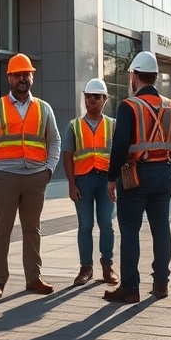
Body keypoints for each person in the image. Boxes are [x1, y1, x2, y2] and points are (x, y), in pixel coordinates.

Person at [104, 51, 171, 303]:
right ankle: (161, 284)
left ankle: (130, 288)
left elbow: (120, 146)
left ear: (134, 76)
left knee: (130, 230)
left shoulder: (129, 106)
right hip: (163, 174)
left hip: (135, 177)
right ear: (154, 76)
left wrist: (111, 178)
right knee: (161, 228)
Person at [0, 53, 61, 298]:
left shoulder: (44, 108)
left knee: (32, 229)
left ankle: (33, 278)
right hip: (5, 177)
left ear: (32, 77)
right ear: (9, 78)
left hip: (36, 177)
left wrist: (49, 169)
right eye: (17, 75)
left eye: (26, 74)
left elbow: (54, 141)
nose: (22, 79)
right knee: (2, 230)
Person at [62, 78, 118, 286]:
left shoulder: (113, 125)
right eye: (88, 96)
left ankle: (107, 266)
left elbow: (119, 154)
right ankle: (86, 268)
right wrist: (71, 184)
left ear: (105, 99)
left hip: (106, 181)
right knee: (85, 225)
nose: (91, 100)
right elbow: (68, 156)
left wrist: (116, 181)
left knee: (106, 224)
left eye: (96, 97)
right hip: (82, 181)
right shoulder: (74, 126)